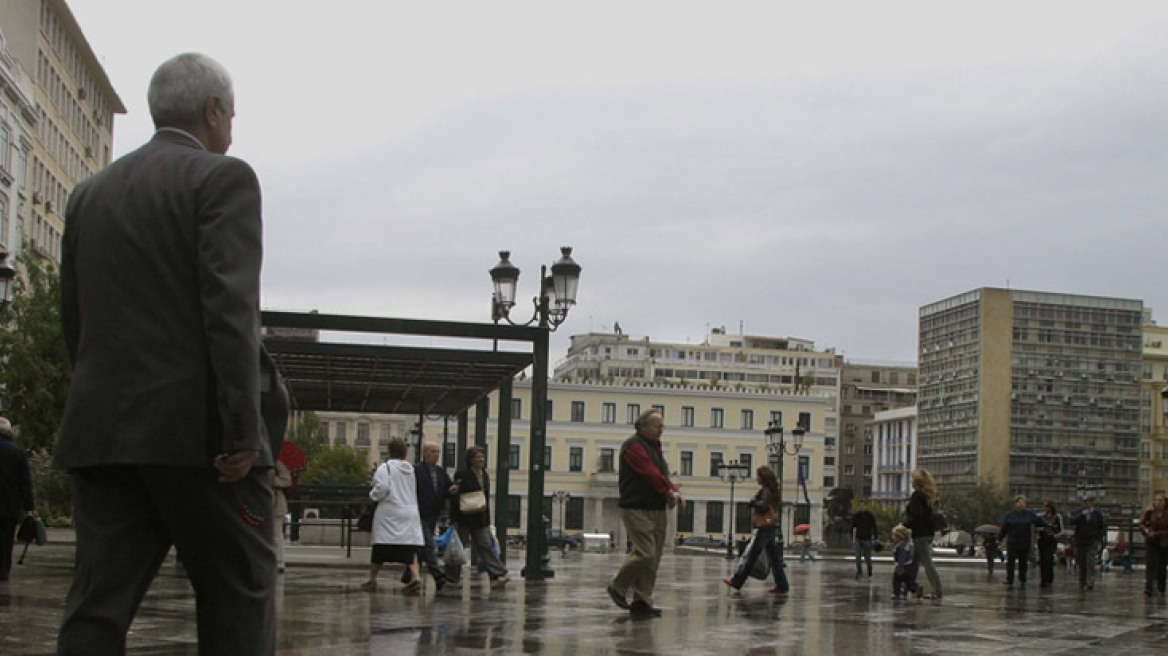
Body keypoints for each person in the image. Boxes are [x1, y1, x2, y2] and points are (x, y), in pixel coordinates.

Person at [55, 53, 287, 656]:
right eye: (231, 114)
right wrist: (242, 429)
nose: (231, 127)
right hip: (202, 443)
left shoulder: (88, 194)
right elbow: (231, 311)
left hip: (105, 435)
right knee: (239, 592)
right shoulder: (222, 178)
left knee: (96, 606)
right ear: (213, 111)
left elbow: (73, 320)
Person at [607, 410, 685, 619]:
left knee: (653, 559)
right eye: (657, 426)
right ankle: (617, 585)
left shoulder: (655, 447)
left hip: (657, 508)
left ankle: (642, 601)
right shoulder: (633, 446)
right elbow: (649, 473)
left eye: (662, 426)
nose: (661, 430)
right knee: (645, 552)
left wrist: (674, 492)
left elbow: (661, 474)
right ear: (642, 427)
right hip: (636, 507)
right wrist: (669, 491)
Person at [362, 438, 424, 591]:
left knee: (380, 547)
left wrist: (373, 495)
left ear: (390, 451)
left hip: (389, 512)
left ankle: (372, 579)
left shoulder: (385, 468)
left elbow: (381, 488)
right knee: (409, 548)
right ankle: (415, 576)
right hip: (409, 511)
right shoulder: (410, 469)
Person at [449, 446, 509, 587]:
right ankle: (451, 577)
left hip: (480, 518)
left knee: (486, 546)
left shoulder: (485, 475)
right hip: (464, 517)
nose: (481, 459)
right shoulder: (462, 475)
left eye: (482, 457)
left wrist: (488, 519)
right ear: (471, 460)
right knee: (458, 547)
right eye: (478, 457)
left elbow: (485, 498)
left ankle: (496, 574)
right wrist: (453, 519)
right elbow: (455, 498)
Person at [722, 466, 788, 594]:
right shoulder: (773, 490)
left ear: (763, 478)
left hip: (764, 528)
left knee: (751, 556)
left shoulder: (765, 491)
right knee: (775, 559)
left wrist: (753, 502)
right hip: (770, 527)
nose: (756, 478)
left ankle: (737, 582)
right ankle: (782, 585)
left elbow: (763, 506)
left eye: (758, 476)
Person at [410, 442, 457, 591]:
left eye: (438, 452)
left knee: (421, 546)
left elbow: (447, 488)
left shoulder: (440, 472)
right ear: (425, 454)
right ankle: (438, 575)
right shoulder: (417, 470)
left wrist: (452, 489)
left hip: (433, 513)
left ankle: (408, 575)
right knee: (429, 544)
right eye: (433, 452)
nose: (436, 455)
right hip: (419, 513)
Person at [0, 417, 35, 582]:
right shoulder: (17, 452)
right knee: (7, 539)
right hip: (9, 505)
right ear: (9, 431)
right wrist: (30, 506)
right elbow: (25, 482)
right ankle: (3, 571)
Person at [904, 468, 942, 599]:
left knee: (926, 562)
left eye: (913, 480)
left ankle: (937, 590)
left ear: (917, 482)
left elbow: (916, 516)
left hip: (920, 534)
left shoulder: (917, 496)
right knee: (914, 562)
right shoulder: (927, 496)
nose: (911, 482)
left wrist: (904, 525)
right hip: (927, 532)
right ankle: (911, 587)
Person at [999, 495, 1045, 587]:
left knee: (1023, 562)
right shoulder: (1010, 515)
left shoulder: (1029, 514)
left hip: (1024, 542)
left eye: (1023, 502)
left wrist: (1041, 517)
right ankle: (1009, 579)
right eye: (1019, 502)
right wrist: (1000, 538)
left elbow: (1039, 522)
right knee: (1011, 561)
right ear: (1015, 504)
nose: (1021, 504)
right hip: (1012, 541)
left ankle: (1022, 578)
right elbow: (1004, 528)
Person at [1069, 495, 1106, 591]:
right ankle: (1082, 580)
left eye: (1087, 502)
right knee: (1082, 562)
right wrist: (1082, 515)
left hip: (1092, 541)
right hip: (1081, 541)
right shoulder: (1078, 512)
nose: (1085, 504)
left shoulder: (1097, 514)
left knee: (1090, 561)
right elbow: (1071, 521)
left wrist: (1098, 538)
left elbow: (1102, 527)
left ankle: (1090, 582)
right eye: (1084, 502)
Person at [1139, 493, 1168, 597]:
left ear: (1164, 502)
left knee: (1161, 566)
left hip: (1164, 543)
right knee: (1150, 565)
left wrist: (1158, 534)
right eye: (1156, 500)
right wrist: (1146, 531)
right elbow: (1141, 524)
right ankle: (1149, 588)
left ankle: (1161, 587)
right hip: (1151, 542)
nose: (1158, 502)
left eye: (1161, 500)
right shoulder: (1149, 512)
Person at [271, 460, 293, 573]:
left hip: (276, 503)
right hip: (260, 503)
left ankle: (279, 561)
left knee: (276, 534)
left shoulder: (278, 463)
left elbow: (287, 481)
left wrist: (272, 480)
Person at [1036, 500, 1063, 587]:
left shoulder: (1057, 517)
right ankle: (1043, 578)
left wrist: (1055, 535)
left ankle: (1049, 578)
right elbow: (1036, 527)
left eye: (1048, 507)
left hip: (1051, 540)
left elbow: (1061, 530)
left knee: (1049, 558)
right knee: (1042, 559)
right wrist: (1041, 530)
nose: (1046, 509)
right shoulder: (1040, 517)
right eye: (1045, 507)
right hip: (1042, 540)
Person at [890, 524, 919, 599]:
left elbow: (901, 558)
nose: (893, 538)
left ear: (899, 537)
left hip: (902, 567)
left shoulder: (900, 547)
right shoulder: (907, 545)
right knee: (909, 581)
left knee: (896, 581)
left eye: (894, 536)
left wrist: (900, 568)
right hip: (909, 566)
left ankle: (896, 593)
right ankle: (915, 588)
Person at [852, 499, 877, 579]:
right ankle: (859, 572)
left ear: (866, 506)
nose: (861, 507)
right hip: (858, 538)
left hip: (867, 538)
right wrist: (852, 537)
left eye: (863, 506)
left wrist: (875, 536)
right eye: (860, 506)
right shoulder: (856, 515)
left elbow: (874, 526)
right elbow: (853, 526)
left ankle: (870, 572)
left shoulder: (870, 515)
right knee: (858, 557)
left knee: (867, 557)